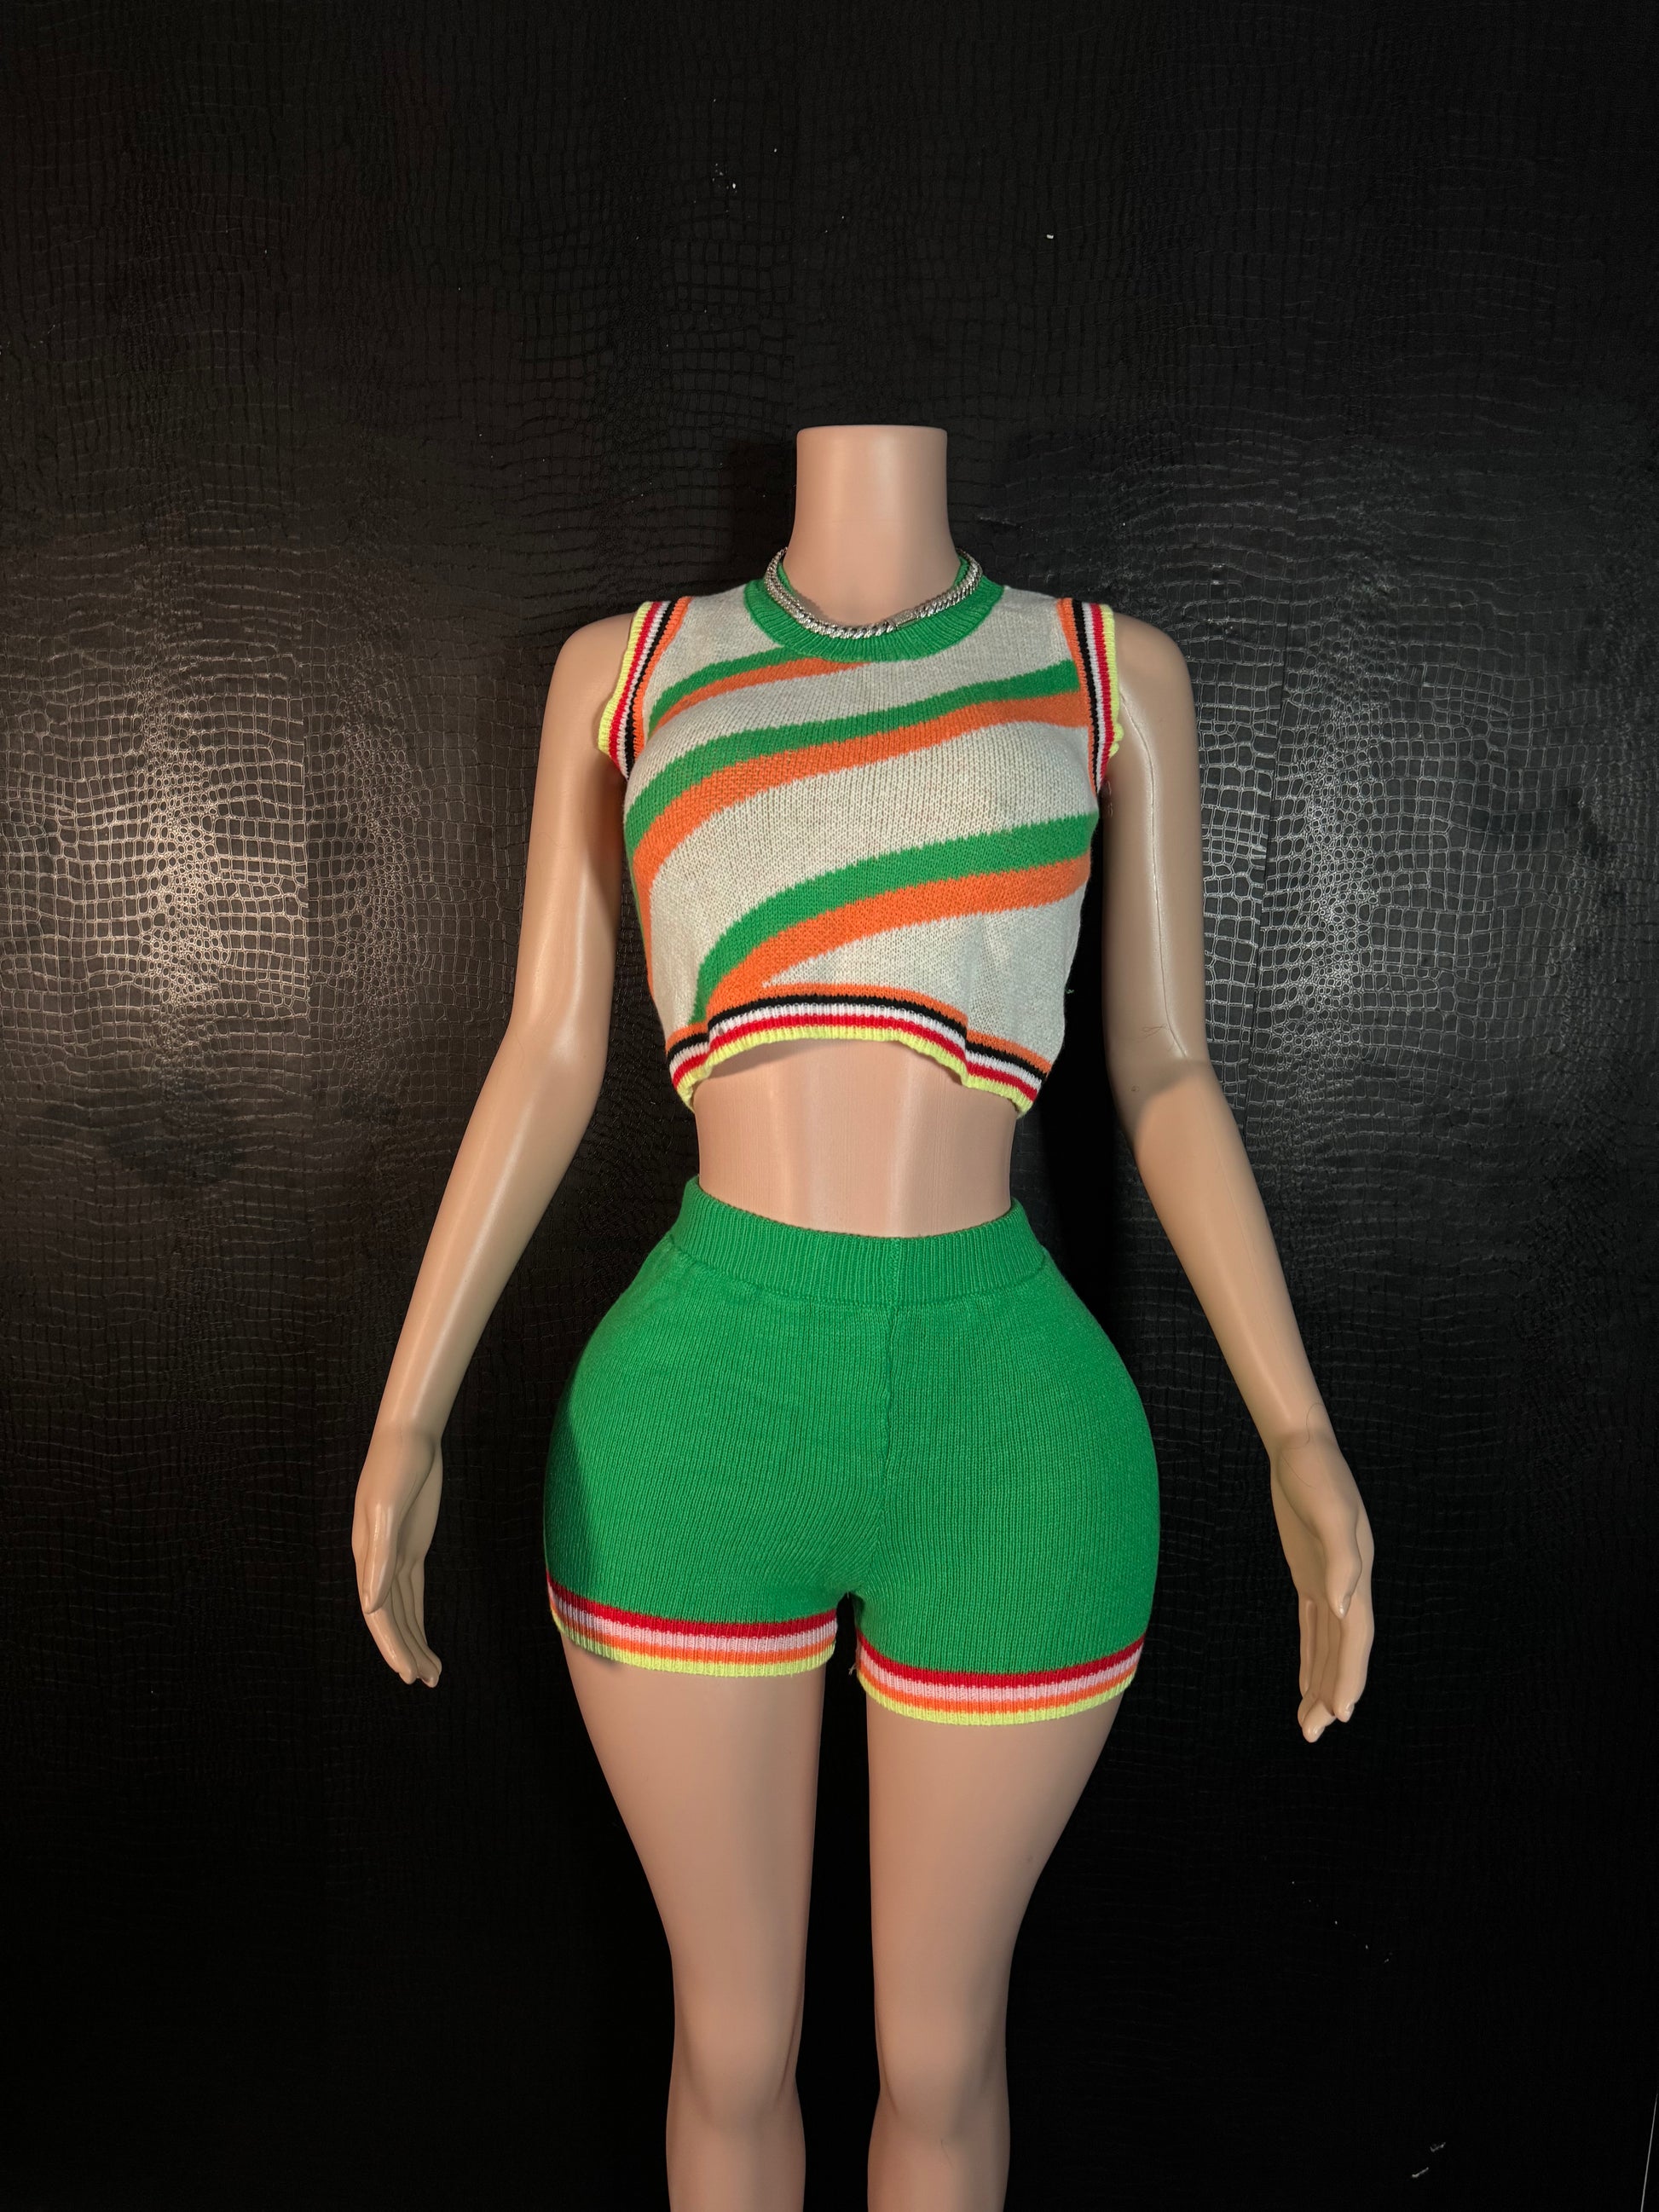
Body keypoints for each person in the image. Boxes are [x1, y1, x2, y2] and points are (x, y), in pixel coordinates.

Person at [353, 422, 1375, 2210]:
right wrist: (408, 1410)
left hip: (1015, 1440)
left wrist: (1299, 1430)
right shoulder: (631, 672)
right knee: (729, 2047)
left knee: (944, 2059)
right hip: (692, 1424)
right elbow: (547, 1049)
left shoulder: (1103, 671)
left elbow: (1164, 1069)